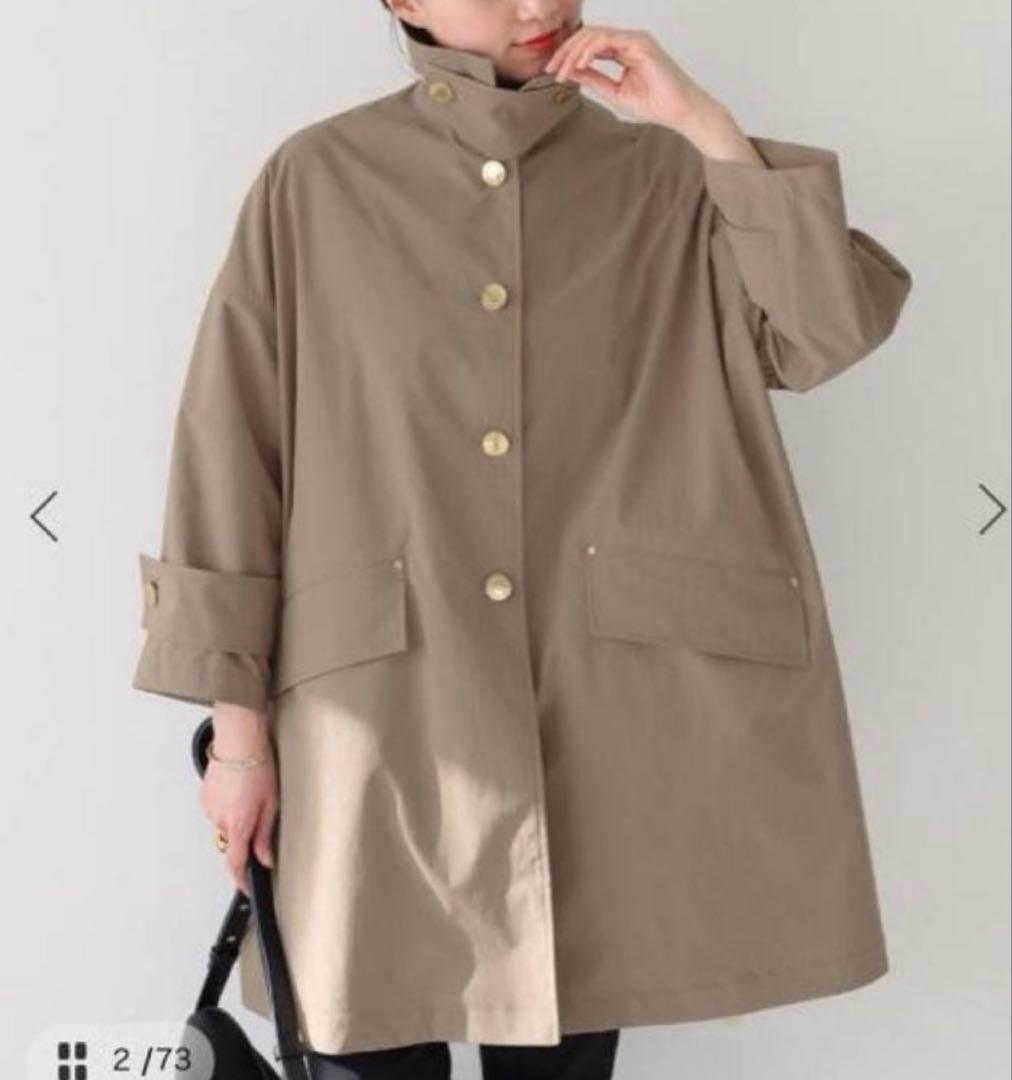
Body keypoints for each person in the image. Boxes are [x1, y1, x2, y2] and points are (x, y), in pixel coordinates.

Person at [132, 0, 912, 1076]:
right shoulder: (316, 183)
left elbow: (826, 330)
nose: (539, 4)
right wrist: (238, 741)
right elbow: (233, 451)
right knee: (360, 1035)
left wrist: (705, 126)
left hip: (603, 723)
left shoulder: (671, 180)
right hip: (371, 721)